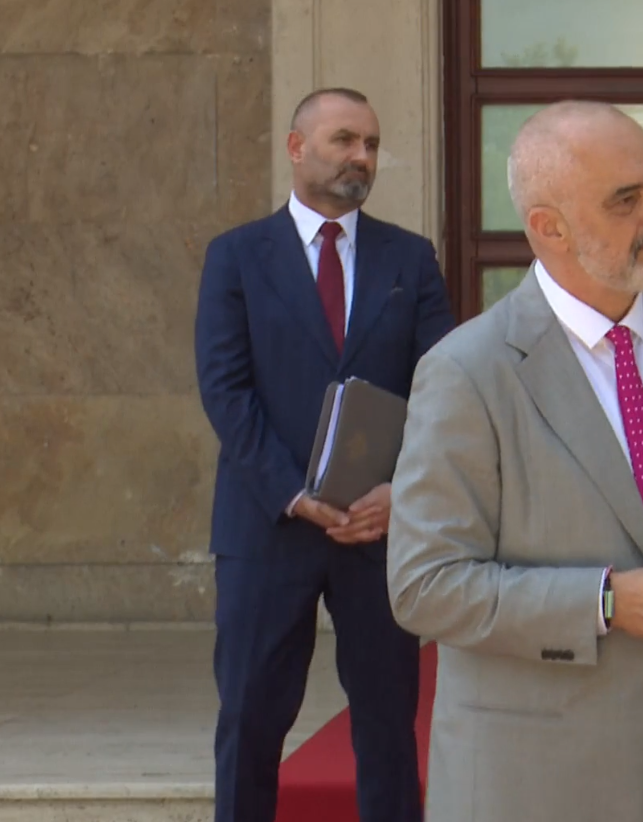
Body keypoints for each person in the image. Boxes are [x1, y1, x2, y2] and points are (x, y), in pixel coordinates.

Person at [386, 100, 643, 822]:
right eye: (625, 200)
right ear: (550, 228)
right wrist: (605, 602)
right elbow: (425, 586)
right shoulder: (467, 371)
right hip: (540, 786)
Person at [194, 87, 454, 822]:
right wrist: (293, 493)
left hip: (378, 528)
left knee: (388, 725)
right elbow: (225, 391)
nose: (361, 157)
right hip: (267, 526)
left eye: (370, 144)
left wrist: (401, 490)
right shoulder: (236, 257)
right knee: (249, 720)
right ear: (296, 147)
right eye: (344, 140)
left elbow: (444, 388)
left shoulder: (411, 258)